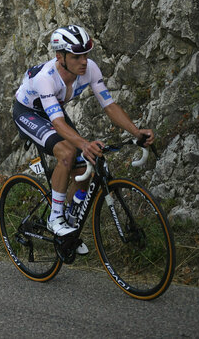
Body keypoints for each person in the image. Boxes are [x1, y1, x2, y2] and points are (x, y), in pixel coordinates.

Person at [12, 25, 155, 253]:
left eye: (86, 55)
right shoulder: (46, 78)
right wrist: (84, 143)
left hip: (53, 111)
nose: (84, 61)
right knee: (67, 153)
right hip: (28, 112)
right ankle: (55, 218)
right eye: (77, 56)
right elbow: (58, 124)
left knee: (85, 167)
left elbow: (109, 105)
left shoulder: (89, 70)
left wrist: (136, 132)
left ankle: (68, 218)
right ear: (60, 57)